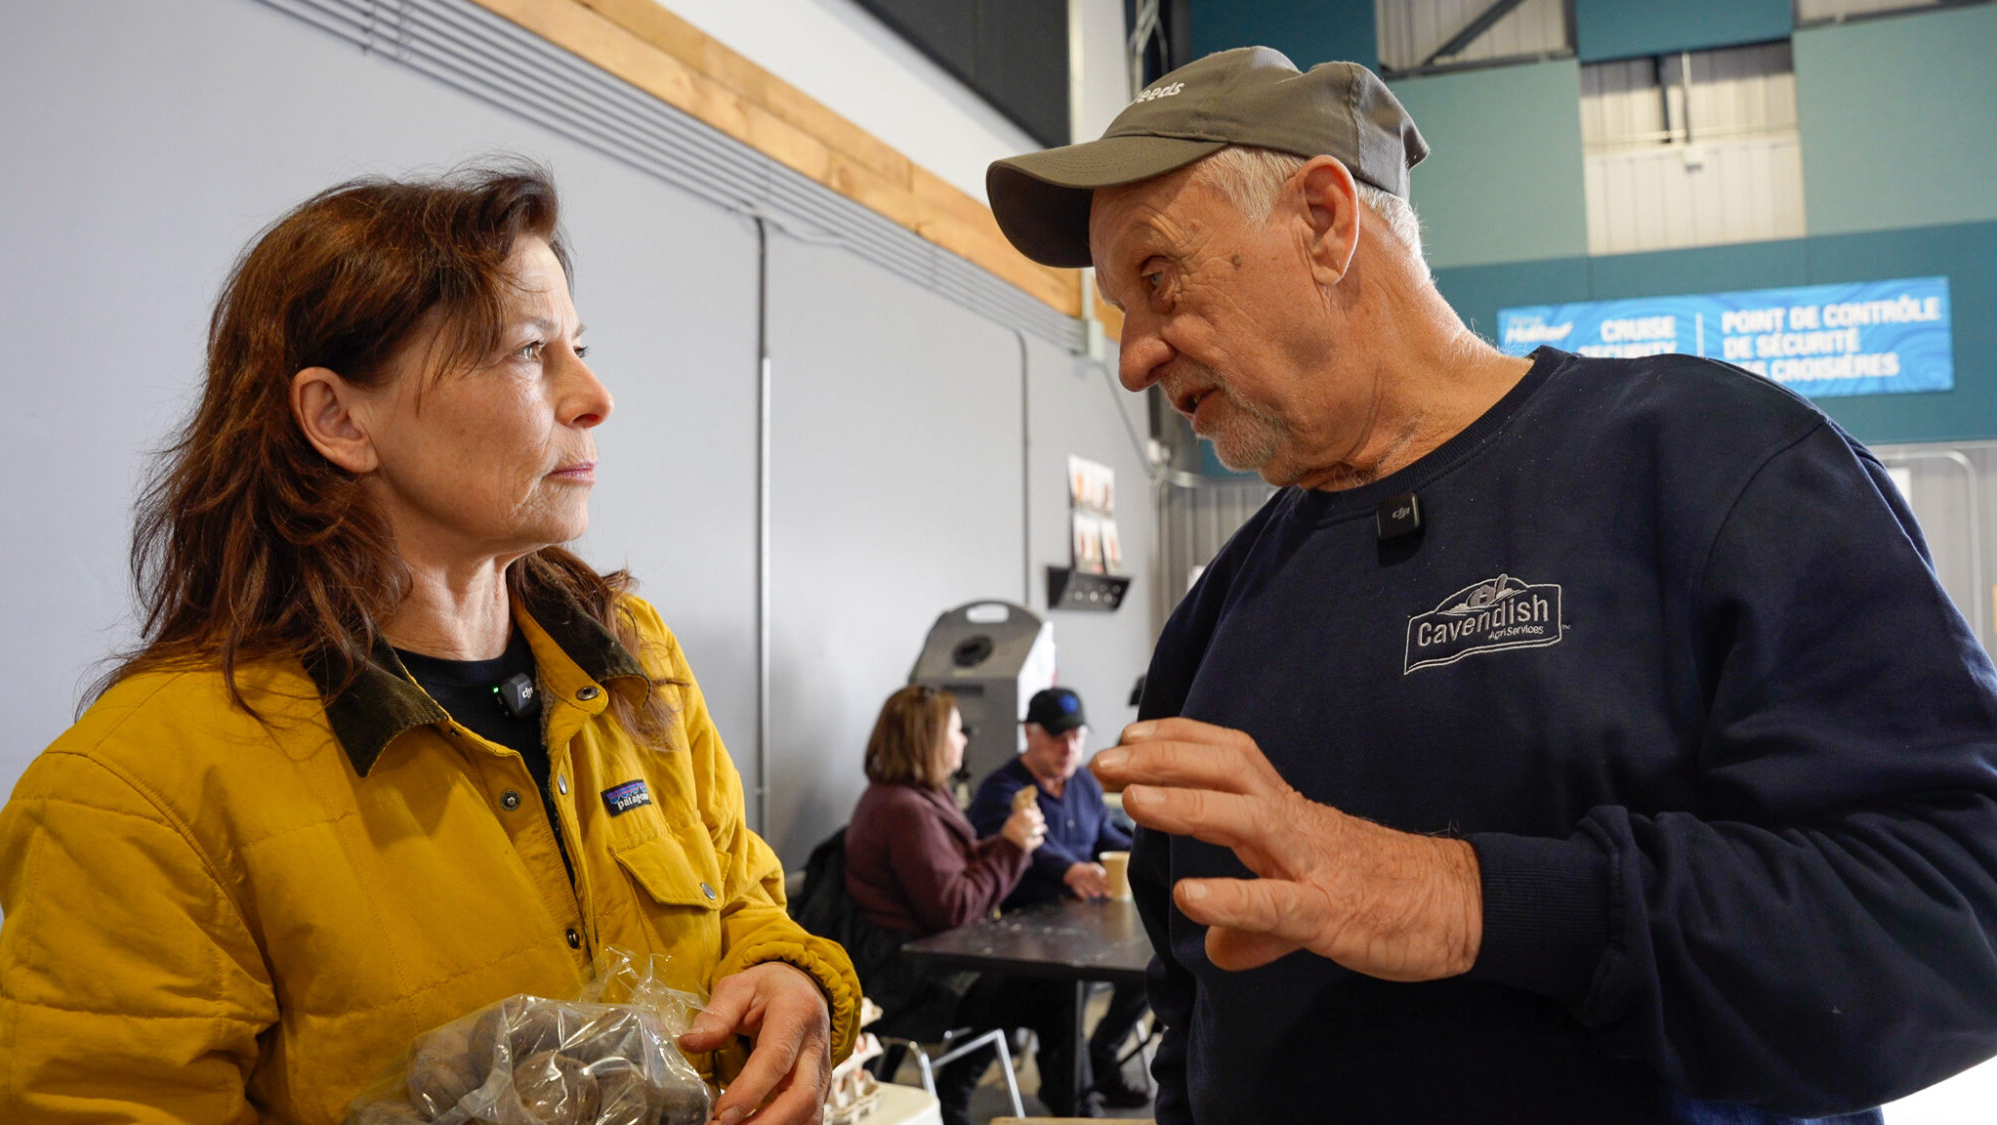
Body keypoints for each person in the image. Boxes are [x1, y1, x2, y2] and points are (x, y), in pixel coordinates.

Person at [983, 46, 1997, 1124]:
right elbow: (1189, 991)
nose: (1133, 358)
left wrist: (1465, 901)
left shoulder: (1711, 468)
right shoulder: (1216, 616)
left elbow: (1953, 908)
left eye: (1155, 278)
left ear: (1323, 220)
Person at [0, 164, 858, 1123]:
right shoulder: (139, 789)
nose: (594, 396)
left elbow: (743, 891)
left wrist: (789, 976)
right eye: (531, 352)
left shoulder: (632, 660)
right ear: (337, 418)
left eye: (579, 344)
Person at [845, 685, 1092, 1124]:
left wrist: (1004, 842)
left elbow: (956, 869)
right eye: (957, 731)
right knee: (1055, 987)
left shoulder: (914, 796)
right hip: (914, 982)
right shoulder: (906, 811)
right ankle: (1069, 1107)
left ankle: (965, 1095)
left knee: (1045, 982)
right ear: (930, 738)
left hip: (923, 963)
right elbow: (955, 907)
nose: (964, 740)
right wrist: (1013, 847)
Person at [966, 688, 1151, 1108]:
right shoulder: (1002, 790)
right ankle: (1071, 1093)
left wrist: (1149, 850)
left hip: (1090, 925)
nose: (1068, 748)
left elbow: (1104, 835)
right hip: (1029, 933)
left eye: (1076, 737)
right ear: (1029, 734)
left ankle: (1101, 1056)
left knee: (1154, 968)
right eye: (1056, 737)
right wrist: (1069, 870)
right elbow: (1026, 849)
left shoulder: (1083, 782)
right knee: (1070, 991)